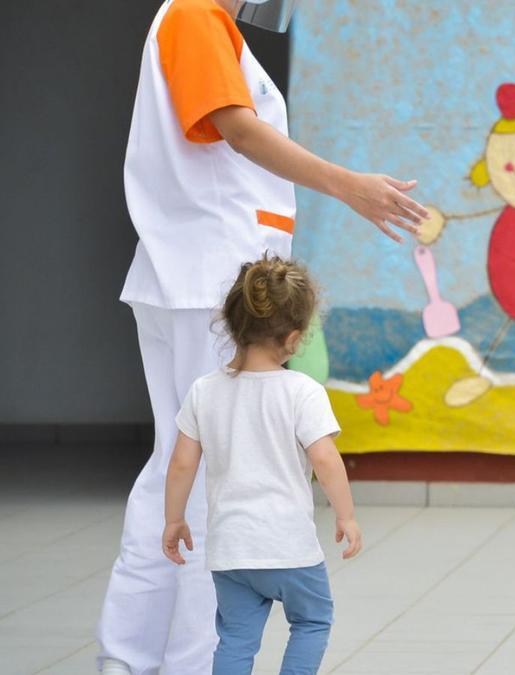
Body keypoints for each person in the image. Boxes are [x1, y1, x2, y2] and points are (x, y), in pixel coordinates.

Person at [99, 0, 428, 672]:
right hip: (208, 282)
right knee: (211, 483)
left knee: (175, 475)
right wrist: (350, 187)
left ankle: (129, 656)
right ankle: (178, 659)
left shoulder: (198, 23)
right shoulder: (193, 14)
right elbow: (239, 132)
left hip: (192, 279)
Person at [162, 257, 359, 673]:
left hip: (231, 550)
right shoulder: (302, 392)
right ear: (293, 337)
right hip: (289, 548)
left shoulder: (205, 391)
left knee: (235, 637)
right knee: (312, 621)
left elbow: (181, 464)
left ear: (234, 324)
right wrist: (346, 515)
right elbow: (324, 457)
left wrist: (173, 519)